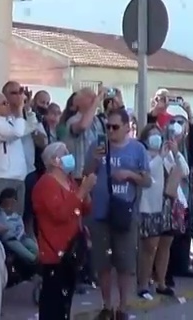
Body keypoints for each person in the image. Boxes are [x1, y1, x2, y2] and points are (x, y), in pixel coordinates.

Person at [86, 106, 150, 315]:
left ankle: (123, 307)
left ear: (126, 127)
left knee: (125, 264)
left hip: (125, 213)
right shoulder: (98, 145)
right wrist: (95, 160)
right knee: (103, 263)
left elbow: (147, 180)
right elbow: (85, 174)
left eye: (115, 127)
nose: (110, 131)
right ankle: (107, 305)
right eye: (108, 126)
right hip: (100, 212)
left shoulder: (138, 149)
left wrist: (129, 175)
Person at [33, 142, 95, 320]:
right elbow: (59, 213)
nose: (69, 155)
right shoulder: (45, 184)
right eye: (64, 153)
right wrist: (83, 190)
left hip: (72, 248)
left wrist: (85, 190)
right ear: (54, 160)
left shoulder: (69, 182)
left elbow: (84, 208)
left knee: (66, 299)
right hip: (54, 251)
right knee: (53, 302)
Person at [136, 123, 185, 301]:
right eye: (152, 134)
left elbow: (184, 171)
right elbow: (148, 173)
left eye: (158, 134)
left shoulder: (168, 156)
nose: (156, 138)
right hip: (149, 206)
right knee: (149, 247)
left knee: (165, 246)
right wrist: (161, 156)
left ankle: (161, 282)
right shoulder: (142, 154)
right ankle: (143, 284)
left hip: (167, 206)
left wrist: (176, 152)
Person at [0, 188, 38, 264]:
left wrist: (19, 236)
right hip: (8, 240)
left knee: (32, 245)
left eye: (12, 204)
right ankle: (32, 260)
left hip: (20, 238)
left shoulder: (17, 217)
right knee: (25, 252)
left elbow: (21, 228)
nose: (10, 207)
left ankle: (33, 258)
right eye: (7, 204)